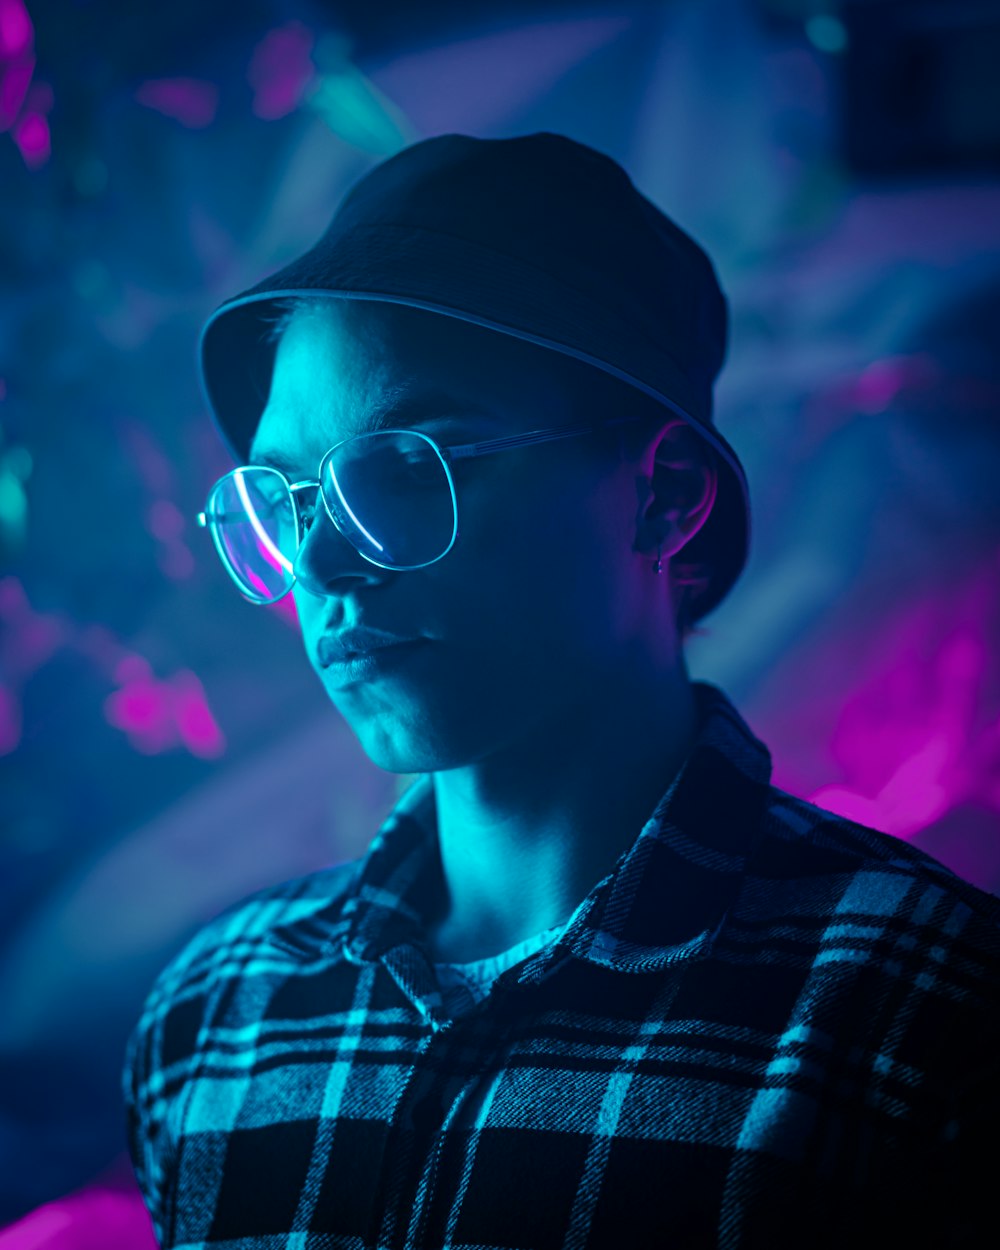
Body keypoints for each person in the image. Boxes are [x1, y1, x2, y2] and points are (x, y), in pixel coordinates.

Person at [123, 133, 999, 1249]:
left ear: (662, 493)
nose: (326, 565)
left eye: (405, 468)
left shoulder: (917, 1015)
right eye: (286, 502)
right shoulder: (213, 1021)